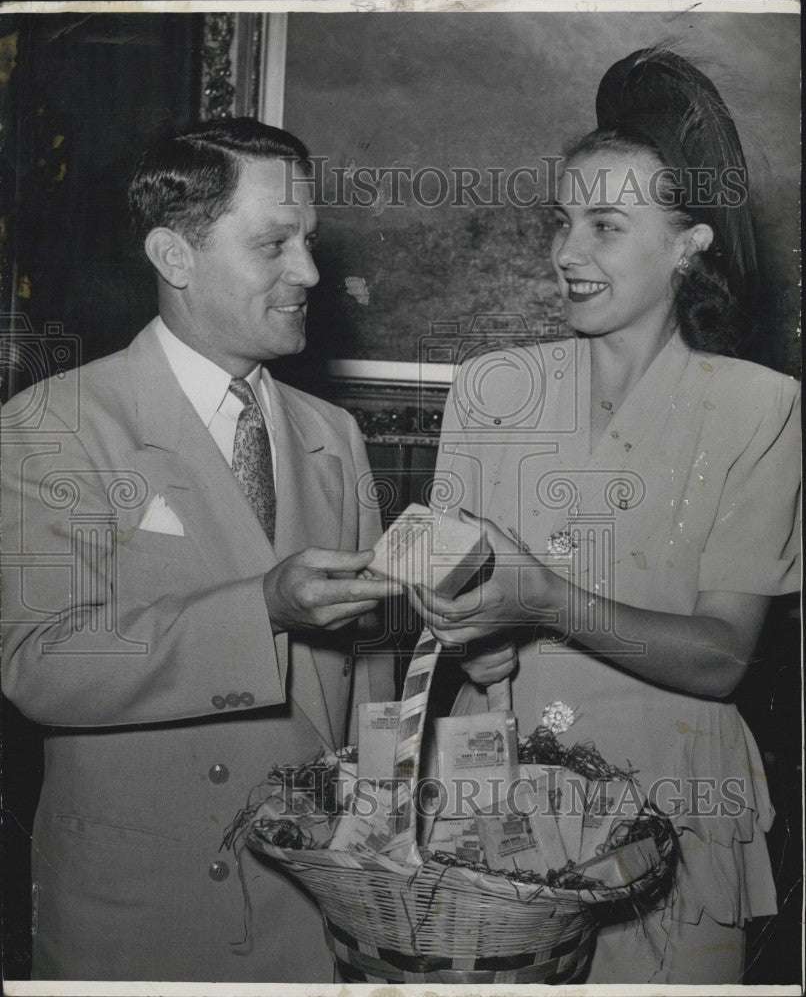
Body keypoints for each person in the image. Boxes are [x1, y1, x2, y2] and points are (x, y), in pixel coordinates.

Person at [410, 49, 800, 984]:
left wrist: (543, 599)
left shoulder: (759, 407)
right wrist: (461, 628)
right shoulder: (490, 387)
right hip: (494, 803)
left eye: (605, 226)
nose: (565, 253)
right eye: (561, 221)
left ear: (688, 243)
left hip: (677, 817)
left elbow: (718, 655)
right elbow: (439, 579)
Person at [1, 118, 398, 982]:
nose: (311, 274)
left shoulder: (334, 435)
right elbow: (41, 664)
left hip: (316, 905)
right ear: (175, 258)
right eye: (275, 245)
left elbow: (369, 676)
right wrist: (260, 609)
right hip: (149, 907)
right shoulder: (55, 427)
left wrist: (380, 838)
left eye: (311, 242)